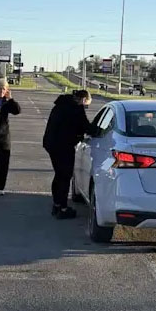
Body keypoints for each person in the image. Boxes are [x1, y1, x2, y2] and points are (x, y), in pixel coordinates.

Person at [42, 89, 98, 219]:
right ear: (83, 100)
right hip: (64, 146)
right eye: (87, 105)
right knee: (65, 176)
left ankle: (56, 205)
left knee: (59, 175)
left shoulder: (60, 105)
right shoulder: (76, 109)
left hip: (51, 144)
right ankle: (63, 208)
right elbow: (87, 127)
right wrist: (99, 130)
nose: (86, 107)